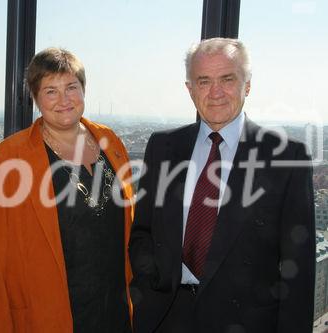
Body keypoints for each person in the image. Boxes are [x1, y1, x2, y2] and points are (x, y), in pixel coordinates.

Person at [129, 38, 315, 333]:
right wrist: (152, 280)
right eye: (203, 81)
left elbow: (299, 269)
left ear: (248, 85)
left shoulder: (287, 158)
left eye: (227, 79)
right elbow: (142, 232)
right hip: (165, 318)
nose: (215, 92)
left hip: (245, 323)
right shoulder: (163, 147)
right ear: (190, 90)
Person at [0, 47, 134, 333]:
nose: (64, 99)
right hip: (48, 316)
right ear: (35, 98)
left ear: (84, 90)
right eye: (50, 91)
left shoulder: (112, 143)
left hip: (115, 312)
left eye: (71, 87)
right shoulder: (9, 159)